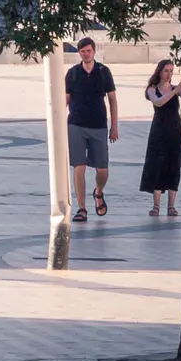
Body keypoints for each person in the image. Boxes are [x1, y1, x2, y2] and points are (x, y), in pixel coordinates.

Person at [65, 37, 118, 222]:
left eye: (88, 50)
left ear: (94, 51)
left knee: (102, 169)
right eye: (82, 51)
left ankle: (98, 192)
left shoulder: (103, 72)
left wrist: (114, 126)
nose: (86, 54)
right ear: (79, 53)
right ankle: (81, 208)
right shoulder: (73, 73)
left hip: (98, 125)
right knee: (78, 168)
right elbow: (66, 98)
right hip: (76, 123)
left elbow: (112, 99)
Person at [139, 59, 181, 216]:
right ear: (159, 71)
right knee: (157, 165)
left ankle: (171, 205)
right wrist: (174, 92)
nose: (169, 74)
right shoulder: (152, 89)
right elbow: (158, 102)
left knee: (174, 166)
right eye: (166, 70)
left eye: (171, 71)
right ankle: (156, 205)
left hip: (175, 132)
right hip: (159, 132)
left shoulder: (176, 89)